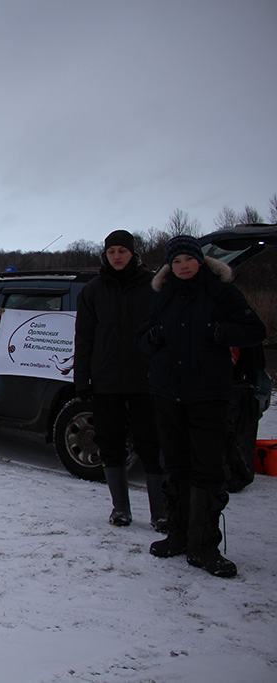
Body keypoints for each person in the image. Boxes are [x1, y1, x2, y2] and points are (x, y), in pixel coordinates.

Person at [140, 235, 266, 578]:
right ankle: (178, 535)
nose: (183, 266)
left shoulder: (221, 292)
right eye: (177, 261)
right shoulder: (163, 294)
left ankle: (205, 545)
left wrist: (220, 332)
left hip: (208, 394)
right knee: (175, 465)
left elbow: (254, 329)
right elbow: (143, 336)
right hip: (167, 393)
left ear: (200, 261)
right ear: (170, 266)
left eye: (189, 259)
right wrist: (151, 339)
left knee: (208, 469)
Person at [74, 230, 165, 530]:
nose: (116, 256)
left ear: (133, 254)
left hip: (145, 380)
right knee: (110, 444)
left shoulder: (153, 286)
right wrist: (82, 379)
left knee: (151, 444)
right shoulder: (93, 290)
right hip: (107, 381)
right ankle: (120, 509)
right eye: (111, 251)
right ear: (105, 255)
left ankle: (160, 512)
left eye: (122, 251)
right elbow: (83, 337)